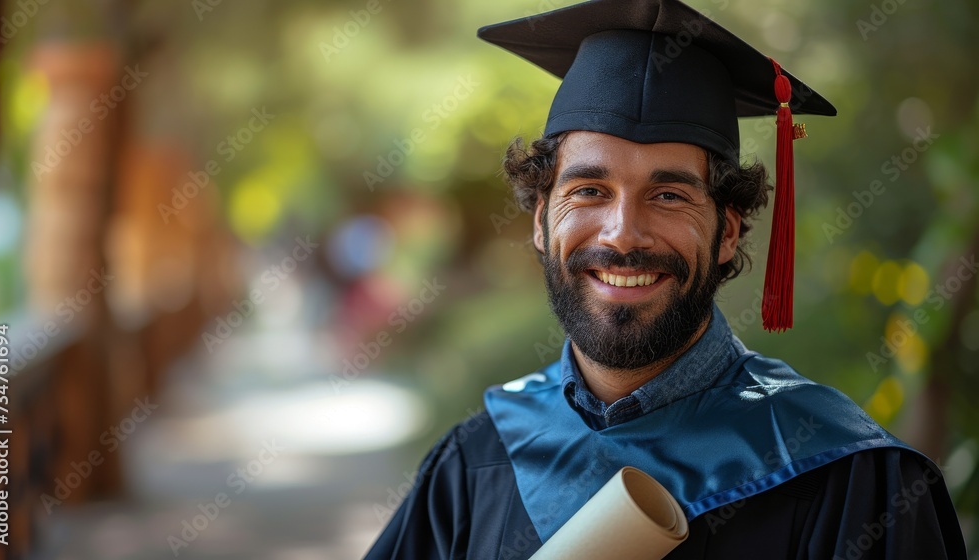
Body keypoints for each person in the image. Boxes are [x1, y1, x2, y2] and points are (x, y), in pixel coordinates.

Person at [364, 0, 968, 558]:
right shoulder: (475, 465)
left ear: (728, 231)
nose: (624, 234)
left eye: (670, 194)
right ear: (542, 222)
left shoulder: (848, 477)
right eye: (589, 191)